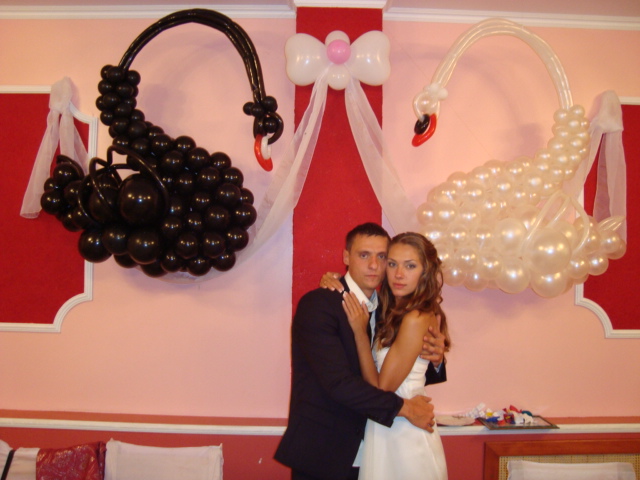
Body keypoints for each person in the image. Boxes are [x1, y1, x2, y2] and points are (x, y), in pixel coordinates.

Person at [275, 223, 445, 480]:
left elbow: (403, 370)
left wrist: (436, 360)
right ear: (346, 257)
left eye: (382, 257)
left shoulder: (389, 309)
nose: (374, 265)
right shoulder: (319, 305)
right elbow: (338, 383)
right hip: (327, 453)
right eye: (364, 255)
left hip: (381, 447)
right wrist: (406, 409)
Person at [342, 232, 451, 480]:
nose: (398, 274)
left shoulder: (416, 318)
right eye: (392, 264)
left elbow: (382, 388)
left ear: (425, 271)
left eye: (410, 266)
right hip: (388, 425)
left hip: (405, 431)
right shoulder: (392, 310)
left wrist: (360, 333)